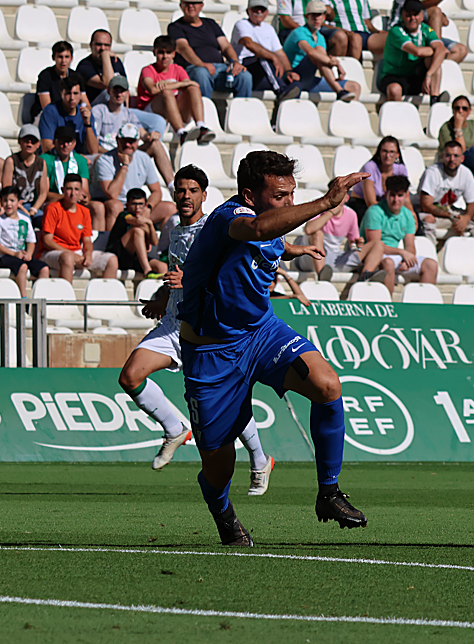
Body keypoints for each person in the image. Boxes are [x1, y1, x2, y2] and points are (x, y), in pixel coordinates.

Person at [176, 151, 368, 545]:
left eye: (292, 193)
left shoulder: (273, 223)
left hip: (261, 333)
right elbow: (260, 230)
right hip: (213, 353)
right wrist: (326, 203)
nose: (289, 203)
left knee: (328, 385)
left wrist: (298, 247)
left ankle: (329, 493)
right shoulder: (228, 220)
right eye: (280, 195)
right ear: (249, 195)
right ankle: (223, 512)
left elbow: (271, 238)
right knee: (219, 465)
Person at [118, 164, 275, 493]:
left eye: (192, 190)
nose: (185, 196)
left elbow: (227, 277)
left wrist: (187, 281)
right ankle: (174, 428)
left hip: (206, 328)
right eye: (180, 190)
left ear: (204, 195)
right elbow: (177, 273)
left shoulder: (215, 228)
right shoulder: (174, 229)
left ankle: (260, 459)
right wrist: (164, 295)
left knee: (228, 402)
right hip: (174, 323)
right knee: (130, 375)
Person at [361, 174, 437, 295]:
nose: (396, 200)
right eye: (392, 195)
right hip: (372, 257)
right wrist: (402, 253)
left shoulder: (408, 215)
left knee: (431, 265)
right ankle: (388, 305)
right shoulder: (374, 212)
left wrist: (408, 261)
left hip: (394, 254)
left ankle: (424, 306)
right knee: (388, 263)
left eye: (400, 196)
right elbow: (375, 245)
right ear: (386, 194)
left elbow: (410, 246)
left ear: (406, 195)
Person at [168, 0, 252, 100]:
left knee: (245, 76)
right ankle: (204, 112)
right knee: (201, 73)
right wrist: (201, 64)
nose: (191, 6)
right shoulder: (176, 27)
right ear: (181, 6)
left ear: (201, 6)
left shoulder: (210, 23)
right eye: (186, 4)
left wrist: (235, 62)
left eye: (195, 4)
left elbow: (225, 46)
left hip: (220, 69)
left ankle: (241, 112)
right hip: (193, 68)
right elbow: (183, 48)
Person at [90, 75, 173, 185]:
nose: (119, 94)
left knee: (156, 145)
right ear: (109, 91)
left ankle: (172, 186)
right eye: (116, 90)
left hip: (126, 151)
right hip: (106, 154)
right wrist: (115, 154)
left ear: (127, 93)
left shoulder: (129, 114)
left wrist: (152, 135)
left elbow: (142, 134)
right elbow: (94, 145)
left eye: (122, 91)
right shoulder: (99, 111)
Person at [94, 122, 174, 230]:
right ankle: (111, 244)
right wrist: (124, 166)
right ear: (117, 140)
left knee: (170, 208)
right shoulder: (104, 160)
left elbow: (156, 191)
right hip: (117, 204)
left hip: (136, 205)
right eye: (124, 141)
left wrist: (148, 208)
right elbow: (112, 194)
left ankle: (164, 244)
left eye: (131, 141)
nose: (128, 144)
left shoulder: (143, 158)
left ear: (137, 142)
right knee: (115, 205)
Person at [135, 35, 213, 144]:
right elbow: (152, 90)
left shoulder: (178, 69)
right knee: (166, 93)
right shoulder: (148, 70)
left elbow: (191, 85)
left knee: (192, 89)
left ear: (173, 54)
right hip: (152, 112)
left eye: (168, 52)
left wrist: (169, 84)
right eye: (161, 52)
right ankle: (181, 132)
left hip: (174, 109)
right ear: (154, 52)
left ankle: (201, 127)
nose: (165, 56)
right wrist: (176, 84)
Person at [39, 172, 118, 279]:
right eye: (69, 189)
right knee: (68, 258)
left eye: (76, 189)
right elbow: (47, 241)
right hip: (53, 253)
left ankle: (106, 295)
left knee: (111, 260)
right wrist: (71, 254)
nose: (73, 193)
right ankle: (66, 295)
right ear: (62, 190)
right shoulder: (52, 208)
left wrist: (88, 255)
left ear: (81, 192)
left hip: (76, 251)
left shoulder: (84, 211)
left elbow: (87, 240)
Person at [282, 0, 358, 100]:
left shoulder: (320, 38)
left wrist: (331, 61)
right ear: (306, 17)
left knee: (354, 87)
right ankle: (339, 91)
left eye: (320, 15)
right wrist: (336, 64)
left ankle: (346, 112)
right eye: (313, 15)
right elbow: (310, 52)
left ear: (324, 17)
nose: (316, 18)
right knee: (317, 53)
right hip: (292, 78)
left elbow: (322, 64)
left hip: (308, 79)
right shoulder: (298, 32)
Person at [230, 0, 301, 99]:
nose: (259, 12)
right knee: (263, 59)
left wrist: (288, 71)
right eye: (255, 9)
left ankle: (280, 107)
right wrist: (273, 57)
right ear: (248, 11)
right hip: (245, 69)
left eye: (262, 10)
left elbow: (279, 52)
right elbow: (248, 43)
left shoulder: (269, 28)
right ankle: (280, 90)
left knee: (296, 85)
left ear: (267, 12)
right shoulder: (242, 24)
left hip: (265, 72)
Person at [379, 0, 449, 103]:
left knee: (435, 61)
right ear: (403, 15)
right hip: (394, 75)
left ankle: (434, 99)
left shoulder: (426, 29)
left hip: (415, 75)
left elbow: (441, 50)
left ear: (421, 16)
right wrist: (434, 50)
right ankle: (398, 116)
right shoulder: (396, 31)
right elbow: (417, 52)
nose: (412, 18)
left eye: (415, 14)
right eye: (408, 15)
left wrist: (429, 74)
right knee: (394, 90)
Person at [417, 139, 474, 241]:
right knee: (428, 219)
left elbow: (472, 204)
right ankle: (429, 254)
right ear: (442, 157)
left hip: (450, 211)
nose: (452, 159)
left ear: (462, 158)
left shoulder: (466, 173)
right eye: (448, 155)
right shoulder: (432, 172)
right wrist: (451, 216)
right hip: (430, 213)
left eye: (456, 156)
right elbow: (426, 206)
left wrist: (465, 219)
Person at [0, 185, 49, 296]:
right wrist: (14, 253)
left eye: (12, 200)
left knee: (44, 268)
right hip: (3, 257)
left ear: (19, 203)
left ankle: (39, 298)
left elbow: (31, 241)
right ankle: (23, 298)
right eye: (5, 201)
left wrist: (29, 254)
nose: (8, 204)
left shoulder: (25, 219)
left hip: (21, 256)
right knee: (23, 267)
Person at [41, 126, 104, 227]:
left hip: (74, 199)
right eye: (62, 142)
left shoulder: (81, 160)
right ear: (55, 142)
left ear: (74, 143)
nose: (65, 145)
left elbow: (84, 190)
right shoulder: (45, 160)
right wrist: (68, 197)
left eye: (69, 142)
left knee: (98, 207)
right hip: (55, 200)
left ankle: (98, 241)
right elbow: (44, 193)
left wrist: (85, 197)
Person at [301, 183, 366, 279]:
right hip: (311, 258)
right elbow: (308, 229)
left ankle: (366, 275)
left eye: (339, 195)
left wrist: (358, 243)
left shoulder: (351, 214)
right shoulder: (320, 208)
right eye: (333, 194)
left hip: (334, 258)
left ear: (346, 198)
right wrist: (330, 213)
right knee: (317, 233)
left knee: (377, 245)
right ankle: (321, 275)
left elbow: (353, 243)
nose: (336, 198)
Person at [107, 188, 167, 277]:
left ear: (145, 206)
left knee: (162, 267)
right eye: (134, 204)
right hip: (119, 257)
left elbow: (154, 242)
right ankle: (147, 270)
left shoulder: (146, 221)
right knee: (137, 231)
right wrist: (147, 222)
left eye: (140, 204)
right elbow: (133, 220)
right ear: (127, 205)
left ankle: (162, 290)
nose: (137, 208)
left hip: (136, 259)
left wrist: (150, 225)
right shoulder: (124, 215)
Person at [348, 136, 408, 220]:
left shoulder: (401, 169)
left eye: (392, 152)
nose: (388, 155)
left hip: (390, 204)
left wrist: (411, 214)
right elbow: (371, 203)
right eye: (385, 151)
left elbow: (406, 199)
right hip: (362, 204)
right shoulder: (369, 167)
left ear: (397, 154)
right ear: (379, 152)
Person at [38, 72, 98, 156]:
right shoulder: (50, 111)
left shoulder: (86, 114)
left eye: (75, 93)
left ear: (81, 95)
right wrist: (76, 159)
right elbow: (47, 147)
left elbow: (94, 150)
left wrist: (87, 124)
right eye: (68, 93)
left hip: (81, 158)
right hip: (56, 157)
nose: (72, 98)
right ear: (61, 94)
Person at [1, 124, 49, 225]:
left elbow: (43, 193)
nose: (29, 144)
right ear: (20, 141)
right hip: (14, 205)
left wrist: (33, 210)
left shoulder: (41, 163)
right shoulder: (11, 161)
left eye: (33, 141)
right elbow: (7, 190)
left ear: (38, 144)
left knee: (46, 222)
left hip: (32, 206)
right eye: (26, 140)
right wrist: (21, 207)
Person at [35, 41, 75, 115]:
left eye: (67, 57)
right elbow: (47, 108)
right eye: (60, 57)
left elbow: (84, 103)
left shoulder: (75, 76)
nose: (63, 61)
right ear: (54, 57)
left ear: (71, 58)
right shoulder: (45, 76)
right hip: (46, 116)